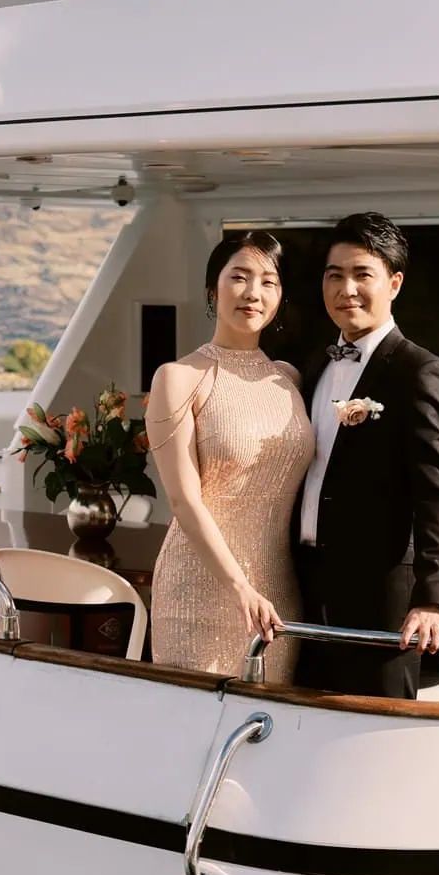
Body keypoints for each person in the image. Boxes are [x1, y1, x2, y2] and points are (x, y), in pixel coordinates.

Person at [294, 213, 439, 698]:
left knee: (375, 733)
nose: (346, 288)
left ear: (394, 282)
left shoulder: (419, 370)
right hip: (302, 586)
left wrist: (433, 599)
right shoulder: (312, 364)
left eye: (361, 274)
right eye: (334, 275)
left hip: (380, 596)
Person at [145, 232, 310, 682]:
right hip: (199, 593)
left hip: (277, 593)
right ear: (211, 289)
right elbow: (184, 500)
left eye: (268, 282)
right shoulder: (178, 378)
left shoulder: (288, 379)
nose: (253, 292)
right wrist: (240, 587)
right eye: (239, 277)